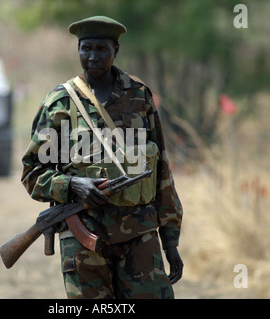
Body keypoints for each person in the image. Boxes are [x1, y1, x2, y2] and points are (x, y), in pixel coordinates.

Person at [21, 16, 184, 299]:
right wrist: (73, 184)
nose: (93, 56)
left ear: (116, 50)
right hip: (84, 233)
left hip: (139, 233)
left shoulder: (138, 96)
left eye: (101, 49)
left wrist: (170, 241)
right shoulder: (60, 103)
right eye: (86, 48)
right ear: (79, 50)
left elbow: (161, 171)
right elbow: (33, 174)